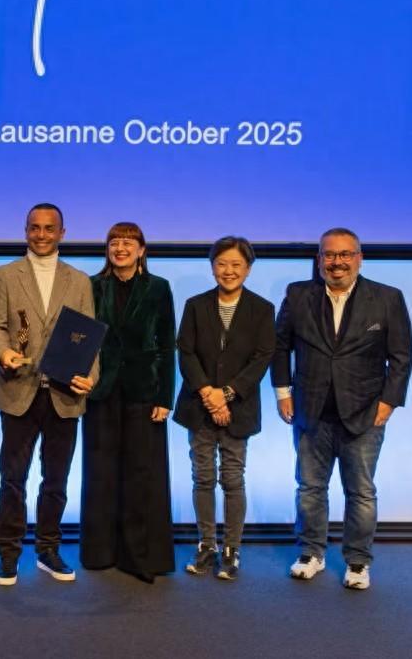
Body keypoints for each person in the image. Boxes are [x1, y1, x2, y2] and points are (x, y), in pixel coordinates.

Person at [272, 227, 412, 591]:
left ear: (359, 258)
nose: (337, 262)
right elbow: (280, 347)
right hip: (310, 411)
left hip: (365, 413)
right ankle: (311, 553)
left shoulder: (387, 298)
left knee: (361, 492)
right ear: (319, 259)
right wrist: (283, 393)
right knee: (310, 488)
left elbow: (402, 356)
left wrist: (389, 402)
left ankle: (357, 560)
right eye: (330, 255)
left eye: (345, 254)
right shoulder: (298, 294)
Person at [0, 203, 97, 586]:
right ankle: (8, 553)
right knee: (12, 479)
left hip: (65, 396)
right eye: (35, 227)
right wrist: (2, 352)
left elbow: (89, 338)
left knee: (56, 481)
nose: (42, 235)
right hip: (18, 390)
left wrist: (90, 377)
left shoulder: (79, 281)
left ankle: (48, 549)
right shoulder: (5, 275)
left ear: (62, 233)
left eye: (50, 228)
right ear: (25, 231)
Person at [172, 236, 275, 581]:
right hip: (199, 406)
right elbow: (186, 352)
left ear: (248, 269)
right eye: (221, 264)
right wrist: (208, 394)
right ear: (212, 266)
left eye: (236, 265)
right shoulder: (196, 305)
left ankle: (232, 549)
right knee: (202, 478)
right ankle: (207, 545)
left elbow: (262, 357)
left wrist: (227, 394)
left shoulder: (262, 309)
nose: (228, 271)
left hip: (239, 408)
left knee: (232, 478)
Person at [80, 222, 176, 582]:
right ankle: (100, 553)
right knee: (100, 474)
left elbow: (167, 344)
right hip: (99, 391)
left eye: (128, 243)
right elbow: (80, 337)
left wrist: (165, 396)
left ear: (141, 250)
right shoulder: (91, 286)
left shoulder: (159, 288)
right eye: (114, 243)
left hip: (144, 393)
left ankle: (140, 556)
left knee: (142, 474)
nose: (120, 248)